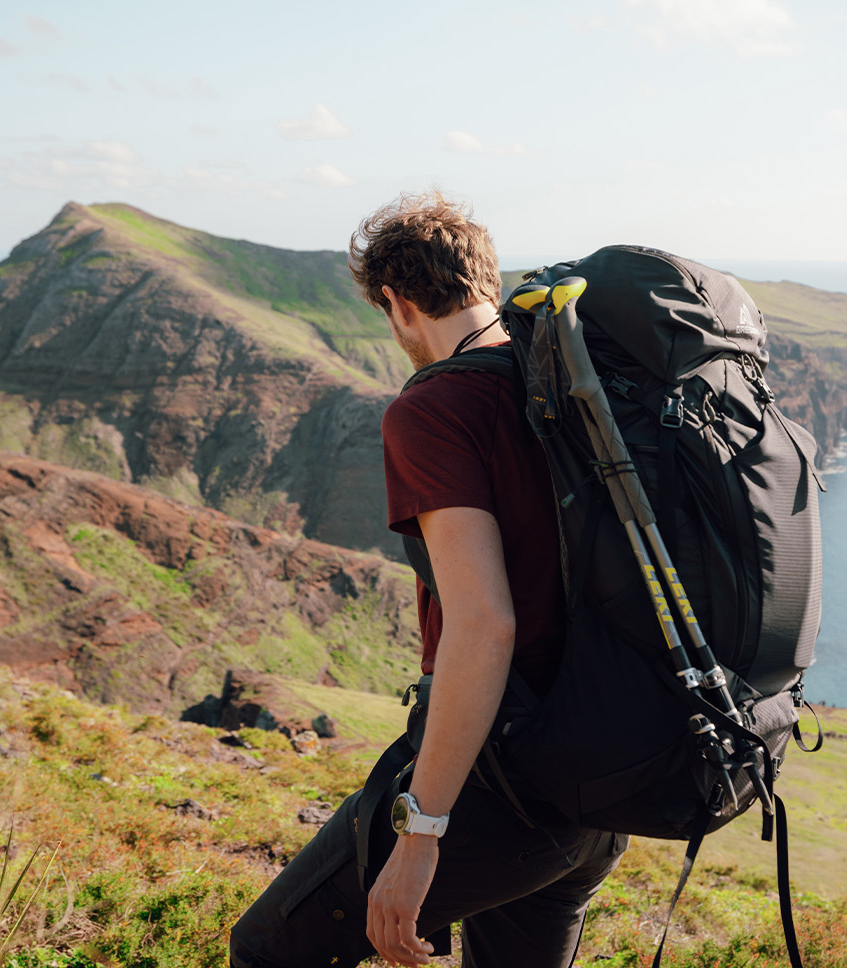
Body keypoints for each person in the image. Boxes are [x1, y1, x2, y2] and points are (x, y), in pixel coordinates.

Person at [227, 191, 627, 968]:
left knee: (268, 952)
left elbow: (485, 627)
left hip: (502, 793)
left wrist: (422, 834)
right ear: (485, 280)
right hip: (593, 794)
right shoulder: (567, 389)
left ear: (397, 303)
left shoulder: (438, 407)